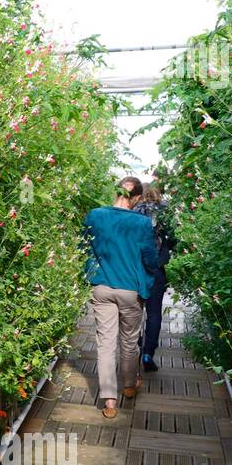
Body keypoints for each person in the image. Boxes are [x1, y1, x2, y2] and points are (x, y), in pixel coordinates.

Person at [83, 176, 159, 418]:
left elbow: (84, 246)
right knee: (129, 341)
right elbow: (149, 257)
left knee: (105, 344)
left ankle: (109, 402)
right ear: (136, 198)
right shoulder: (141, 223)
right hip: (130, 289)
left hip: (101, 286)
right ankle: (128, 385)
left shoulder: (95, 215)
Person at [132, 182, 175, 372]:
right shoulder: (165, 211)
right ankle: (148, 352)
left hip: (135, 267)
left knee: (132, 311)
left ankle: (133, 349)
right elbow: (173, 239)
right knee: (155, 312)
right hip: (157, 267)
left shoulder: (134, 210)